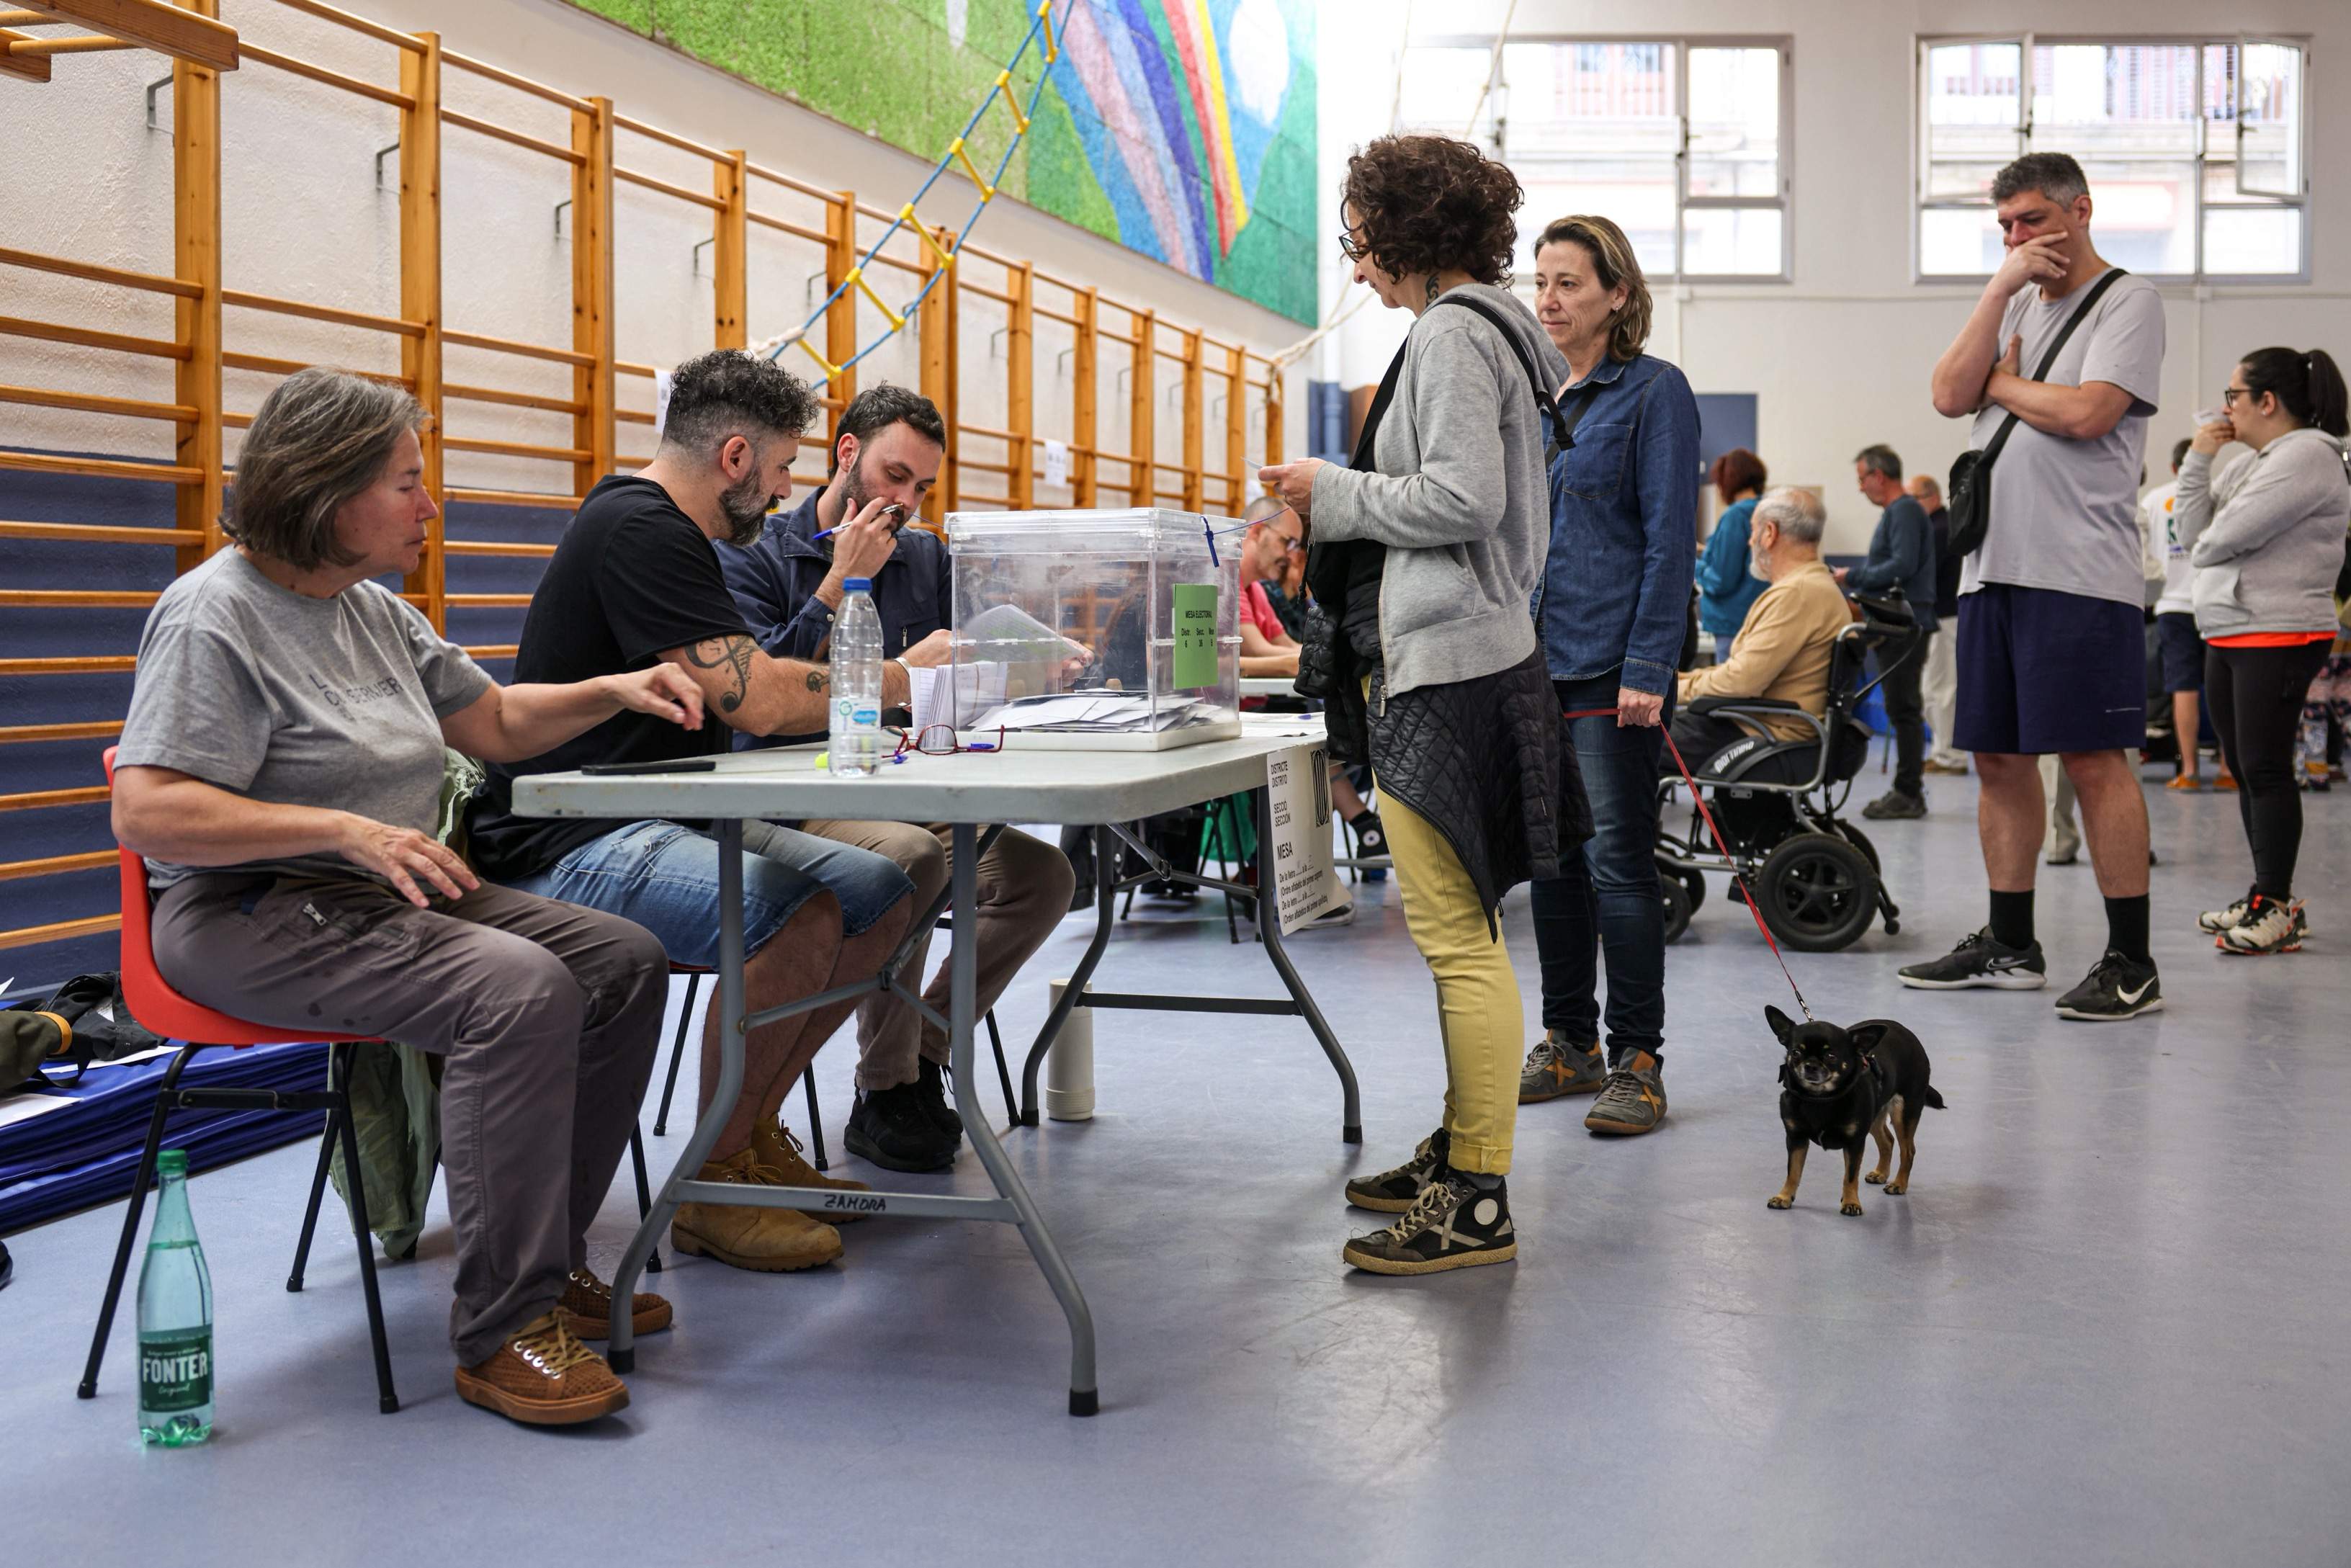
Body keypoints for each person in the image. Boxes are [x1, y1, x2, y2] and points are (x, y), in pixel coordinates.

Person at [114, 368, 694, 1425]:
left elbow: (502, 723)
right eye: (408, 484)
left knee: (620, 960)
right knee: (516, 990)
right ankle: (501, 1331)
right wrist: (340, 828)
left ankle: (546, 1263)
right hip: (246, 910)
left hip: (376, 889)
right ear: (329, 496)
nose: (431, 507)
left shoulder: (372, 613)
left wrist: (615, 688)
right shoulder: (212, 615)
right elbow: (148, 811)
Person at [466, 349, 919, 1273]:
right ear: (739, 457)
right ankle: (716, 1184)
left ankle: (748, 1134)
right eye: (787, 467)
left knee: (886, 885)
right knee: (801, 909)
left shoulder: (673, 534)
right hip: (571, 833)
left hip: (660, 814)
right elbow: (753, 698)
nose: (790, 487)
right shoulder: (644, 529)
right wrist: (905, 678)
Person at [1258, 133, 1584, 1275]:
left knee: (1456, 941)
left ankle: (1479, 1195)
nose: (1355, 268)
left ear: (1403, 232)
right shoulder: (1497, 325)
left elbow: (1458, 497)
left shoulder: (1451, 332)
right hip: (1479, 655)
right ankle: (1460, 1150)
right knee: (1469, 934)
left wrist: (1327, 491)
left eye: (1358, 243)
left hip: (1446, 666)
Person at [717, 383, 1075, 1171]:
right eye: (894, 475)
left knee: (1043, 877)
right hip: (789, 800)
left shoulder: (925, 557)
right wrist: (837, 585)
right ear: (847, 455)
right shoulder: (754, 554)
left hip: (908, 784)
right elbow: (756, 705)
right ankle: (884, 1086)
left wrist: (1033, 657)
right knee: (908, 857)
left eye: (921, 487)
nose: (906, 500)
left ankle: (922, 1052)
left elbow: (978, 654)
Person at [1904, 152, 2168, 1021]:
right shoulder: (2014, 297)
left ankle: (2131, 959)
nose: (2019, 239)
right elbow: (1948, 393)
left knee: (2094, 761)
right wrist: (1995, 291)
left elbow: (2092, 412)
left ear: (2080, 210)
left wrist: (2005, 383)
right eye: (2006, 227)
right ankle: (2009, 941)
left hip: (2078, 576)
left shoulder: (2130, 299)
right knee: (1997, 758)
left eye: (2031, 222)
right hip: (1991, 572)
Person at [1515, 213, 1698, 1137]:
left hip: (1610, 668)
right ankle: (1568, 1040)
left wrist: (1649, 664)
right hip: (1532, 667)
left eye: (1569, 283)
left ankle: (1638, 1057)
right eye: (1540, 281)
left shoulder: (1653, 393)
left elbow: (1671, 540)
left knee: (1617, 864)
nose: (1548, 299)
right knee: (1550, 867)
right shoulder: (1534, 396)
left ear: (1616, 295)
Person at [2175, 347, 2351, 954]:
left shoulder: (2308, 455)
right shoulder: (2255, 460)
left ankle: (2278, 905)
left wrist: (2208, 538)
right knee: (2247, 766)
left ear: (2266, 402)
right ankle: (2262, 895)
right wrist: (2201, 455)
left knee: (2267, 765)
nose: (2228, 408)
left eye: (2234, 395)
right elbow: (2190, 530)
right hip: (2230, 628)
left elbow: (2219, 540)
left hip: (2278, 629)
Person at [1670, 488, 1855, 763]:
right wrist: (1681, 680)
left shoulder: (1797, 594)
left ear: (1770, 533)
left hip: (1764, 732)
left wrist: (1671, 690)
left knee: (1637, 739)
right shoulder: (1813, 586)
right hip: (1768, 723)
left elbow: (1739, 682)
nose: (1750, 541)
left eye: (1753, 531)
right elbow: (1743, 672)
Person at [1840, 445, 1938, 820]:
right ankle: (1907, 788)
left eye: (1862, 479)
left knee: (1904, 708)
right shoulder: (1900, 513)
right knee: (1902, 708)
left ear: (1878, 476)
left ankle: (1908, 792)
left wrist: (1853, 576)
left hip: (1904, 624)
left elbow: (1902, 565)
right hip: (1899, 622)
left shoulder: (1905, 511)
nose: (1861, 488)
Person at [2149, 436, 2229, 790]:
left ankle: (2190, 772)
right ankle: (2228, 772)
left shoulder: (2152, 500)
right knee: (2224, 687)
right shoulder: (2216, 495)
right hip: (2213, 601)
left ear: (2172, 467)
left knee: (2183, 689)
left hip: (2171, 603)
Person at [1907, 473, 1969, 776]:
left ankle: (1952, 756)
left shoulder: (1940, 530)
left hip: (1945, 617)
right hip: (1938, 618)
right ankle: (1942, 751)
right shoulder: (1936, 528)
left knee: (1943, 688)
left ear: (1931, 497)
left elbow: (1926, 578)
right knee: (1932, 688)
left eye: (1914, 499)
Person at [1694, 448, 1769, 659]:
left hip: (1732, 624)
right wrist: (1707, 551)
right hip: (1756, 618)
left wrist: (1690, 563)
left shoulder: (1735, 516)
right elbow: (1746, 558)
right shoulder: (1766, 510)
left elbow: (1721, 580)